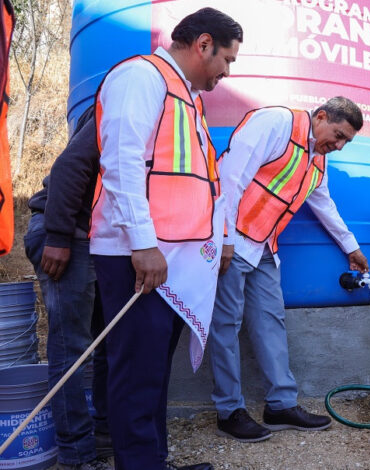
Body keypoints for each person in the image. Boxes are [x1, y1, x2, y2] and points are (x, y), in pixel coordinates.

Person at [89, 8, 242, 469]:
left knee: (152, 372)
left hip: (168, 257)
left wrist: (218, 239)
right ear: (203, 44)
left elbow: (205, 182)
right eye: (227, 60)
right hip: (138, 256)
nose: (227, 72)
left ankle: (151, 460)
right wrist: (142, 245)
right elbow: (121, 162)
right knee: (136, 373)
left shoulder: (187, 96)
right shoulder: (142, 77)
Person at [210, 97, 369, 442]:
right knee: (226, 323)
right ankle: (229, 410)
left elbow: (323, 203)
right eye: (338, 135)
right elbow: (231, 176)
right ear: (321, 116)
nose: (339, 146)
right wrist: (223, 236)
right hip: (233, 240)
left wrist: (351, 246)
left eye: (346, 142)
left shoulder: (319, 159)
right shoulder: (276, 123)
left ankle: (280, 405)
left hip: (264, 246)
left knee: (271, 320)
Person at [23, 106, 112, 470]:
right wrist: (58, 236)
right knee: (72, 348)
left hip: (95, 238)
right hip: (64, 231)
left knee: (107, 339)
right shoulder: (125, 104)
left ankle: (104, 433)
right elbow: (68, 168)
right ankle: (75, 455)